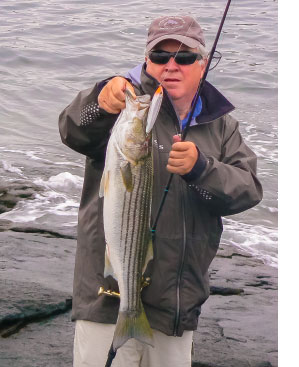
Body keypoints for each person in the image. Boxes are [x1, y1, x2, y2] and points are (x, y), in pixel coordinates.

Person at [59, 15, 263, 367]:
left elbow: (248, 190)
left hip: (176, 306)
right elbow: (75, 130)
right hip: (107, 300)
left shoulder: (222, 127)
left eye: (184, 58)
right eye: (160, 57)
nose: (171, 66)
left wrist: (203, 169)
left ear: (202, 64)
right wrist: (99, 100)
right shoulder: (126, 106)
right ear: (146, 62)